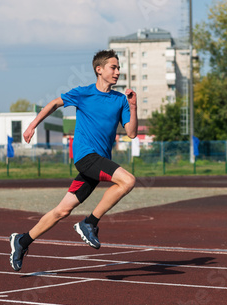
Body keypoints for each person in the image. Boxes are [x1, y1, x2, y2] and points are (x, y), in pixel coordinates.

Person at [9, 50, 137, 271]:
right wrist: (32, 125)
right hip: (86, 157)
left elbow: (132, 133)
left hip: (98, 162)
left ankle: (22, 241)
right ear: (99, 69)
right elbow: (54, 104)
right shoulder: (83, 93)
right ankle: (90, 223)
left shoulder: (120, 100)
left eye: (118, 68)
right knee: (127, 181)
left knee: (62, 211)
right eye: (113, 67)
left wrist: (133, 107)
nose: (117, 71)